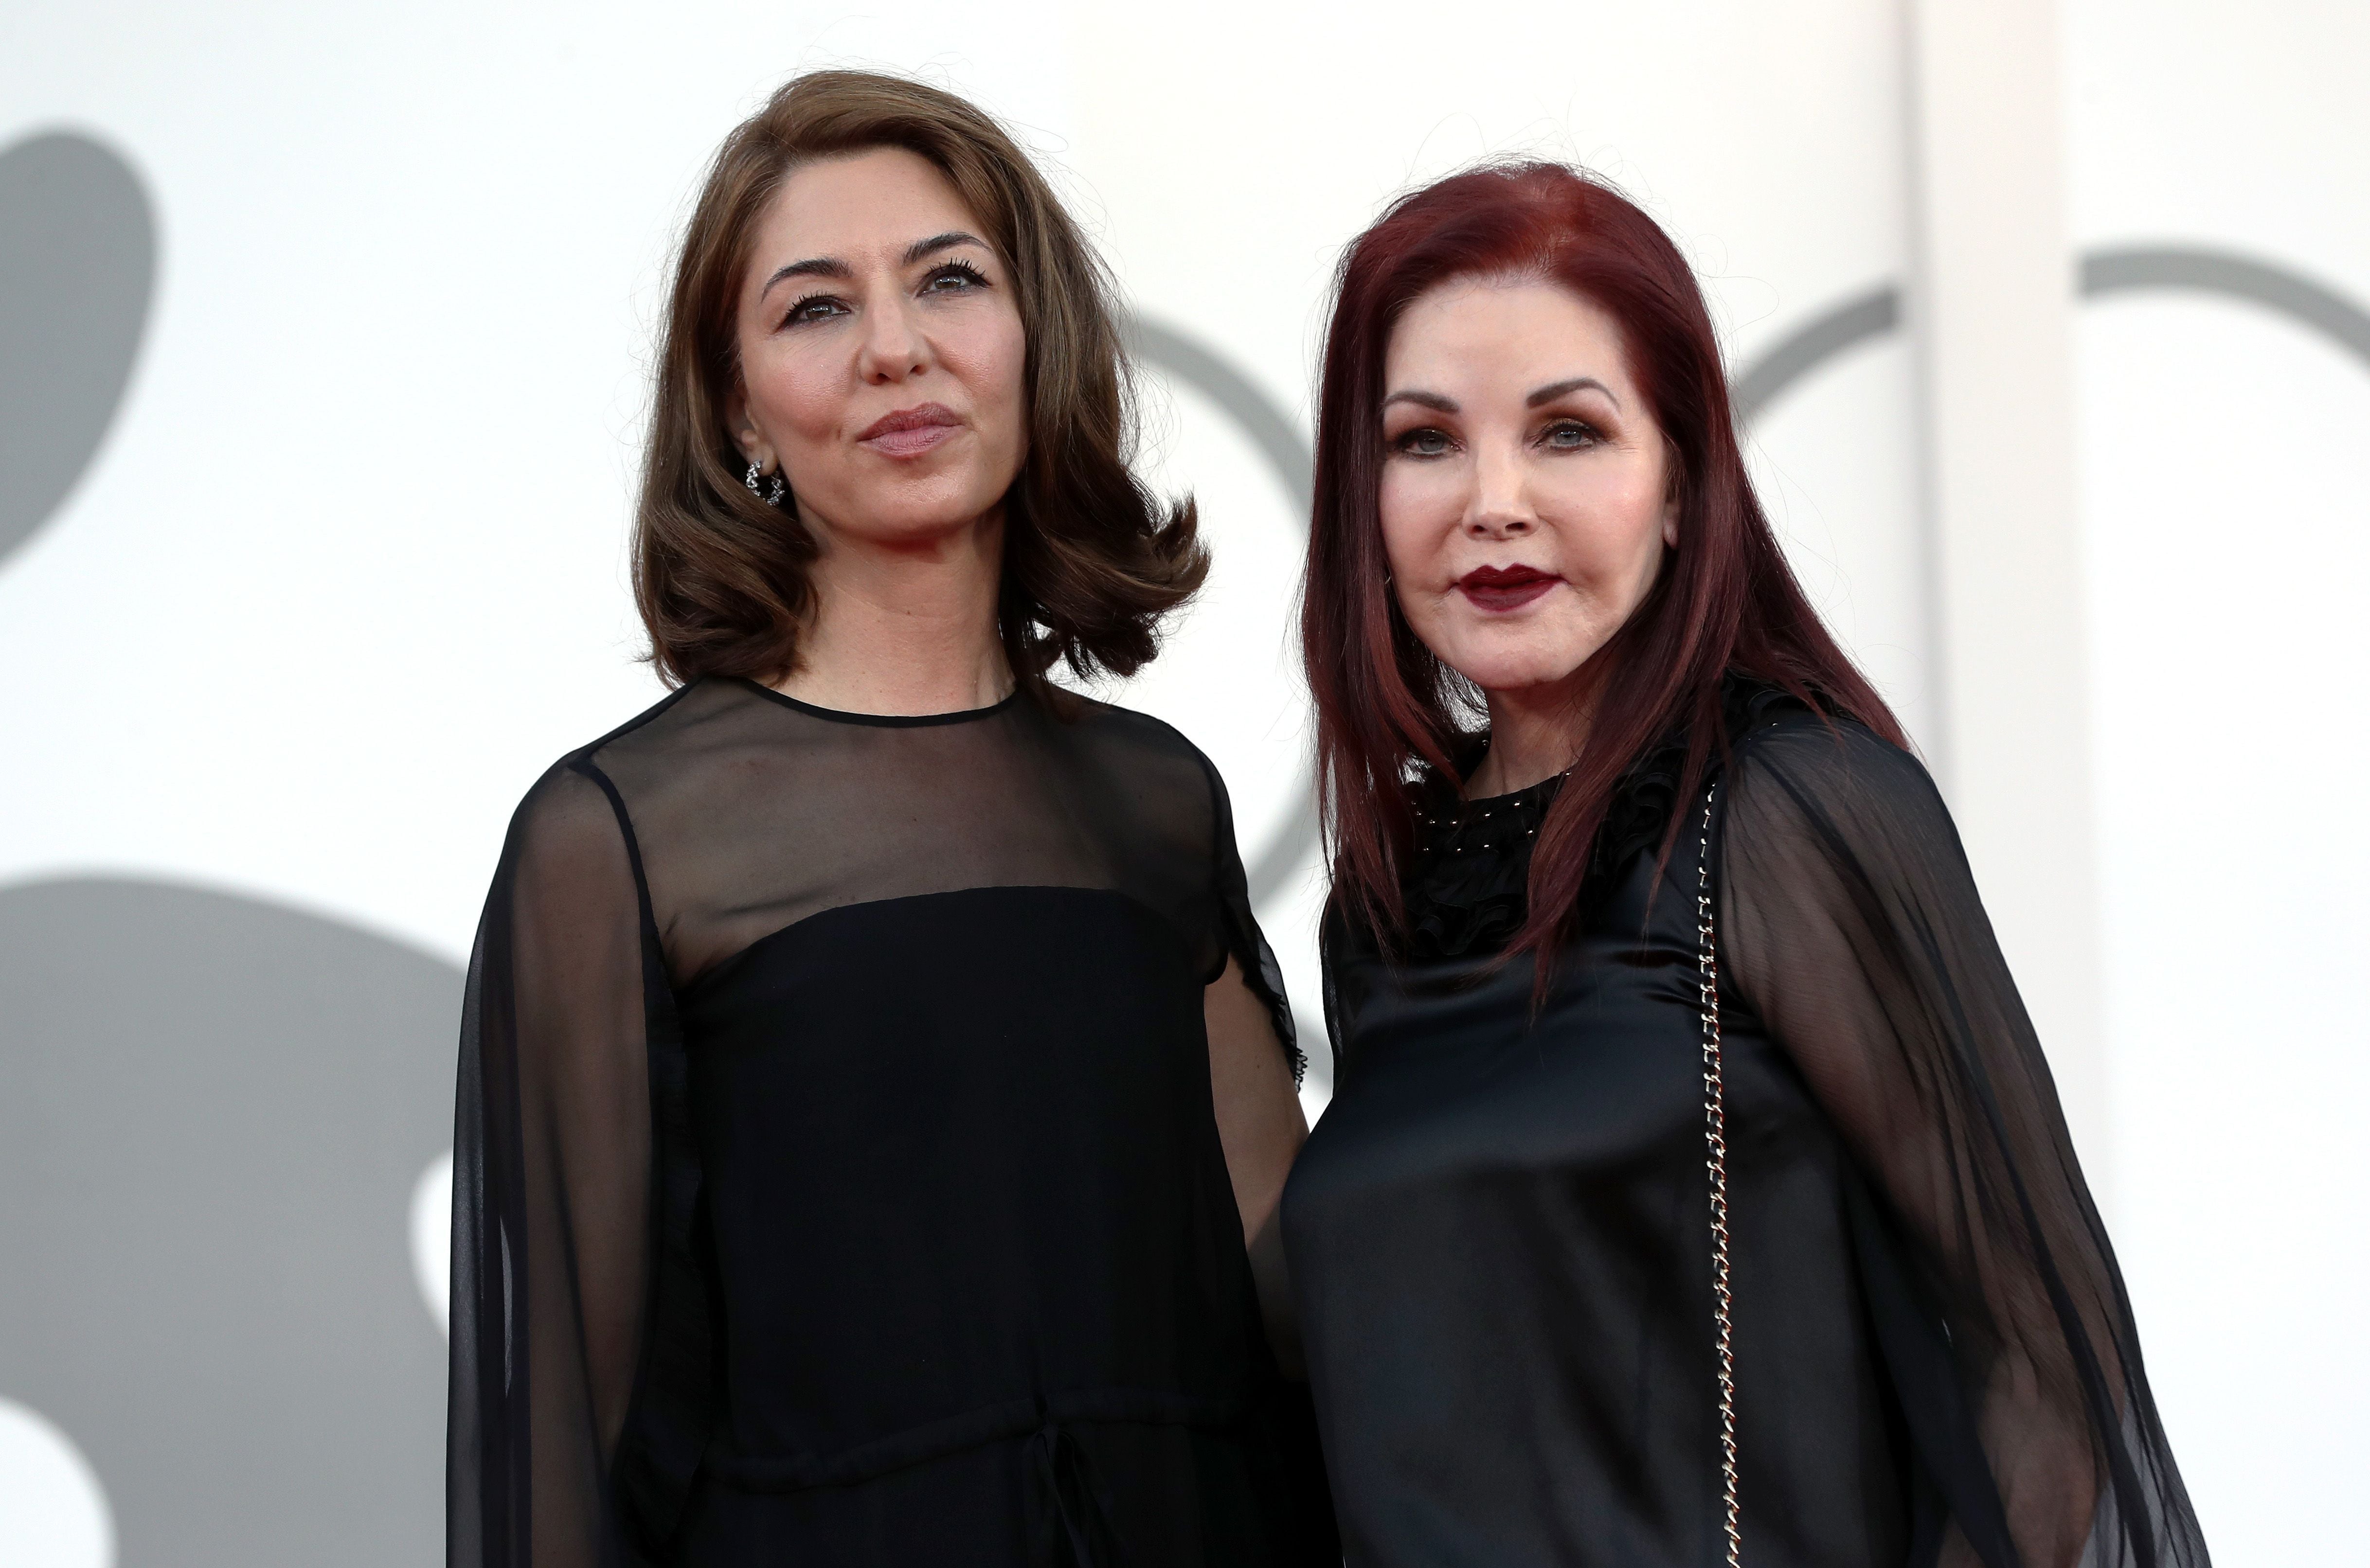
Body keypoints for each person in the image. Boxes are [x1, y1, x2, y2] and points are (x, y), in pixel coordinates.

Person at [448, 71, 1333, 1568]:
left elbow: (1302, 1305)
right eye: (814, 308)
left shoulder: (1155, 802)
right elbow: (571, 1465)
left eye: (949, 281)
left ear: (1032, 336)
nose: (897, 350)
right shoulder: (621, 840)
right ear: (738, 408)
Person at [1280, 160, 2207, 1568]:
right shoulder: (1390, 901)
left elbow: (2043, 1363)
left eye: (1569, 433)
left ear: (1680, 488)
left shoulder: (1789, 809)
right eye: (1425, 442)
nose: (1493, 501)